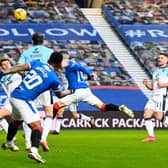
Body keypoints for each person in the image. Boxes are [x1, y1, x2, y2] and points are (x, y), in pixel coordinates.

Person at [0, 51, 71, 163]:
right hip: (24, 99)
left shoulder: (37, 64)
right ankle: (34, 151)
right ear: (58, 64)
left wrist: (5, 72)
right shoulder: (54, 80)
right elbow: (60, 95)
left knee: (16, 122)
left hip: (14, 95)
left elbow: (20, 67)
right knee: (37, 127)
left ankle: (9, 142)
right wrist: (71, 91)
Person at [52, 52, 134, 125]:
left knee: (56, 106)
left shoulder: (70, 64)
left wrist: (90, 73)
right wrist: (89, 75)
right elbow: (78, 72)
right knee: (103, 107)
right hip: (86, 92)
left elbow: (80, 67)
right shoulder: (70, 68)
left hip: (78, 92)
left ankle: (48, 125)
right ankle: (120, 108)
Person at [18, 32, 54, 151]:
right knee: (49, 113)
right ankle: (43, 138)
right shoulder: (49, 51)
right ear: (43, 41)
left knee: (29, 114)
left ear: (32, 42)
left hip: (30, 86)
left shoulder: (26, 53)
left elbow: (19, 68)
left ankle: (28, 143)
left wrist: (26, 77)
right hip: (44, 83)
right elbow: (53, 66)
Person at [142, 53, 168, 142]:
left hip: (162, 95)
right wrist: (146, 84)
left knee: (159, 117)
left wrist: (164, 84)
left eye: (162, 58)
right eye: (158, 58)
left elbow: (162, 85)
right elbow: (152, 87)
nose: (159, 59)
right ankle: (151, 137)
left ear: (166, 60)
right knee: (147, 114)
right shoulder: (155, 71)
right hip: (154, 95)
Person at [0, 55, 22, 151]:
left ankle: (31, 145)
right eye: (4, 64)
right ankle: (11, 141)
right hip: (11, 101)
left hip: (22, 100)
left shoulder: (17, 70)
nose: (7, 65)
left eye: (7, 63)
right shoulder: (2, 75)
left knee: (27, 124)